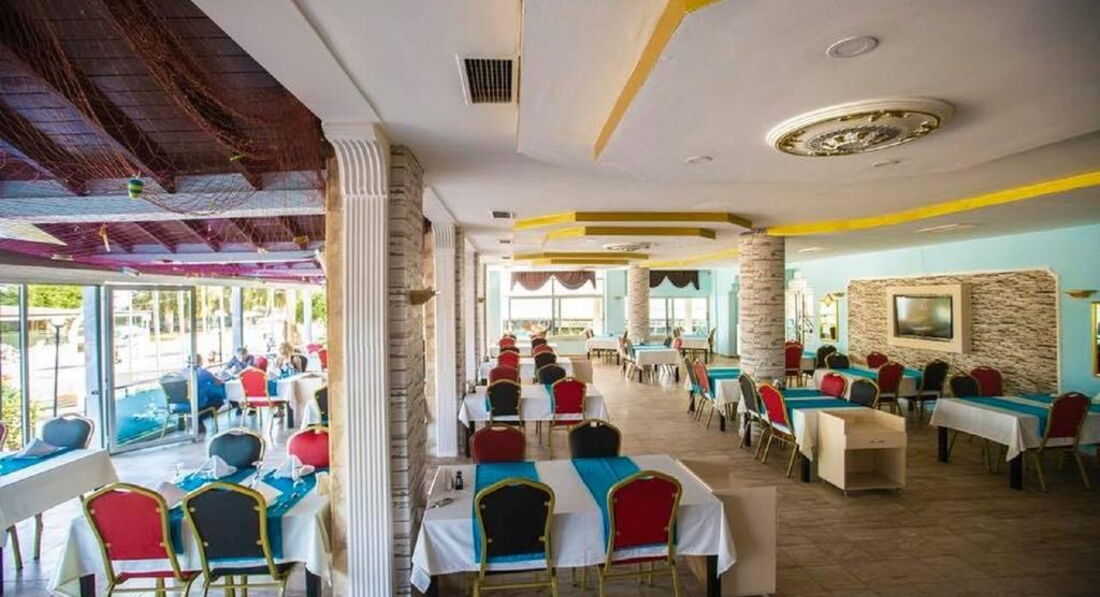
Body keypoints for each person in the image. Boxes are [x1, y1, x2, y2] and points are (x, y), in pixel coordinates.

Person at [191, 355, 225, 433]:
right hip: (198, 403)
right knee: (219, 400)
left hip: (184, 403)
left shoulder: (183, 372)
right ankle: (200, 419)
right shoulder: (203, 372)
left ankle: (196, 419)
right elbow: (218, 382)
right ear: (200, 362)